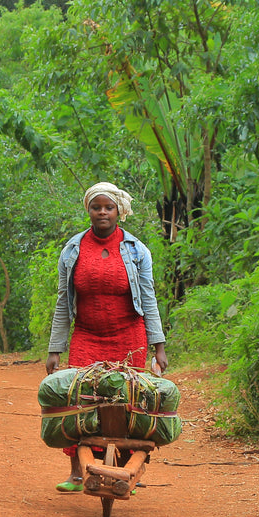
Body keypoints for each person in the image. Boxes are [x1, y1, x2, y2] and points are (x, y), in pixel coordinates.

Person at [44, 181, 167, 492]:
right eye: (96, 207)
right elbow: (63, 301)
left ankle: (127, 472)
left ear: (118, 212)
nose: (102, 212)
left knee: (129, 404)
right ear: (88, 210)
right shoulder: (73, 250)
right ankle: (77, 472)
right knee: (79, 401)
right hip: (87, 335)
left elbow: (149, 299)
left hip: (129, 337)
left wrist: (158, 347)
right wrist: (55, 349)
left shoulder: (137, 250)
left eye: (108, 207)